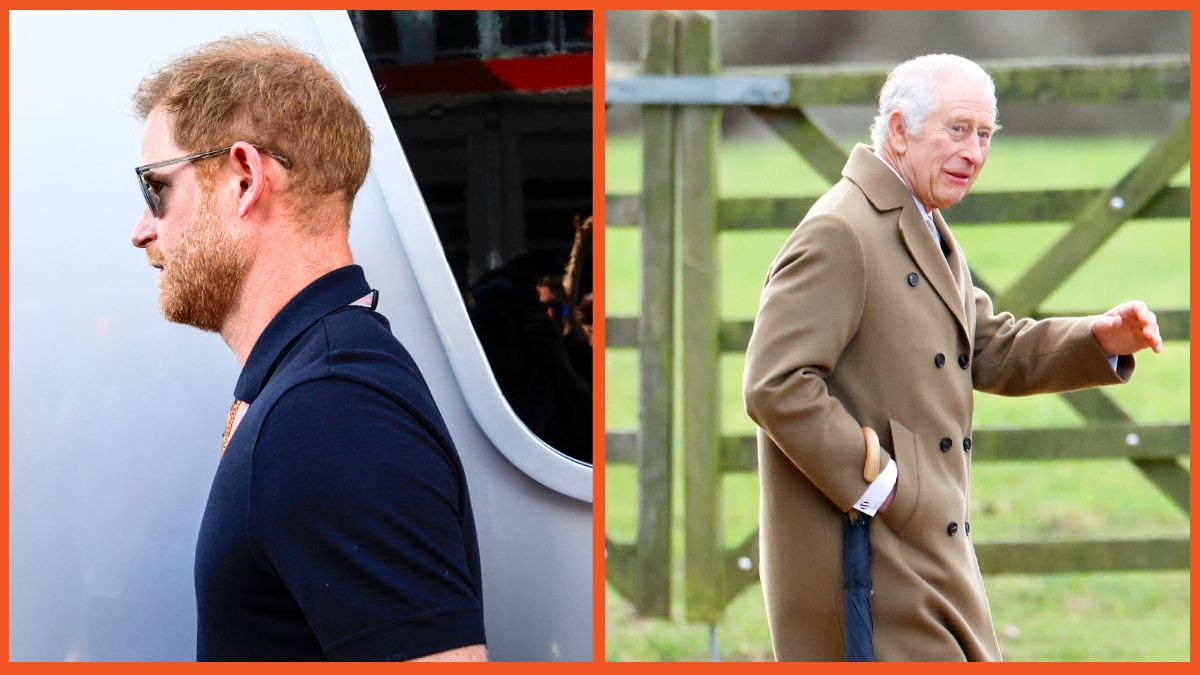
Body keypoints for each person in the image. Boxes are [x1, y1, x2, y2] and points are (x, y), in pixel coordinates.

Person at [743, 53, 1162, 661]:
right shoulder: (842, 230)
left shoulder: (920, 220)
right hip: (864, 557)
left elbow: (984, 347)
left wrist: (1097, 341)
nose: (975, 151)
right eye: (958, 129)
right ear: (897, 131)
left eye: (986, 133)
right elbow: (774, 384)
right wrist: (880, 483)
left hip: (927, 549)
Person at [129, 34, 486, 662]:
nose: (141, 231)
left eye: (156, 190)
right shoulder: (319, 383)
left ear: (243, 178)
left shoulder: (328, 410)